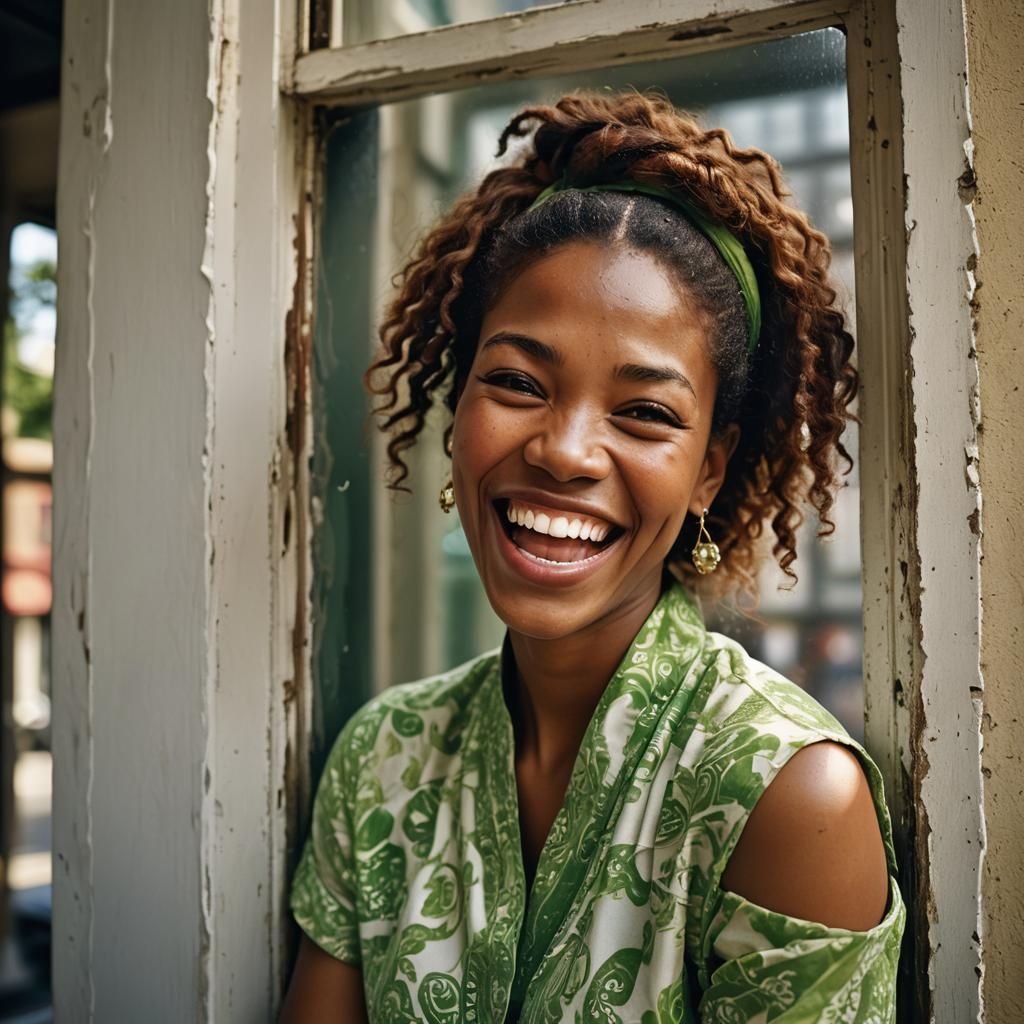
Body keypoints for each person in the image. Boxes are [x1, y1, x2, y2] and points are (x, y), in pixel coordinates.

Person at [281, 92, 905, 1023]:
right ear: (458, 413)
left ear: (709, 471)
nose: (565, 452)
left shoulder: (787, 795)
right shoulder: (384, 757)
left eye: (645, 412)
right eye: (517, 382)